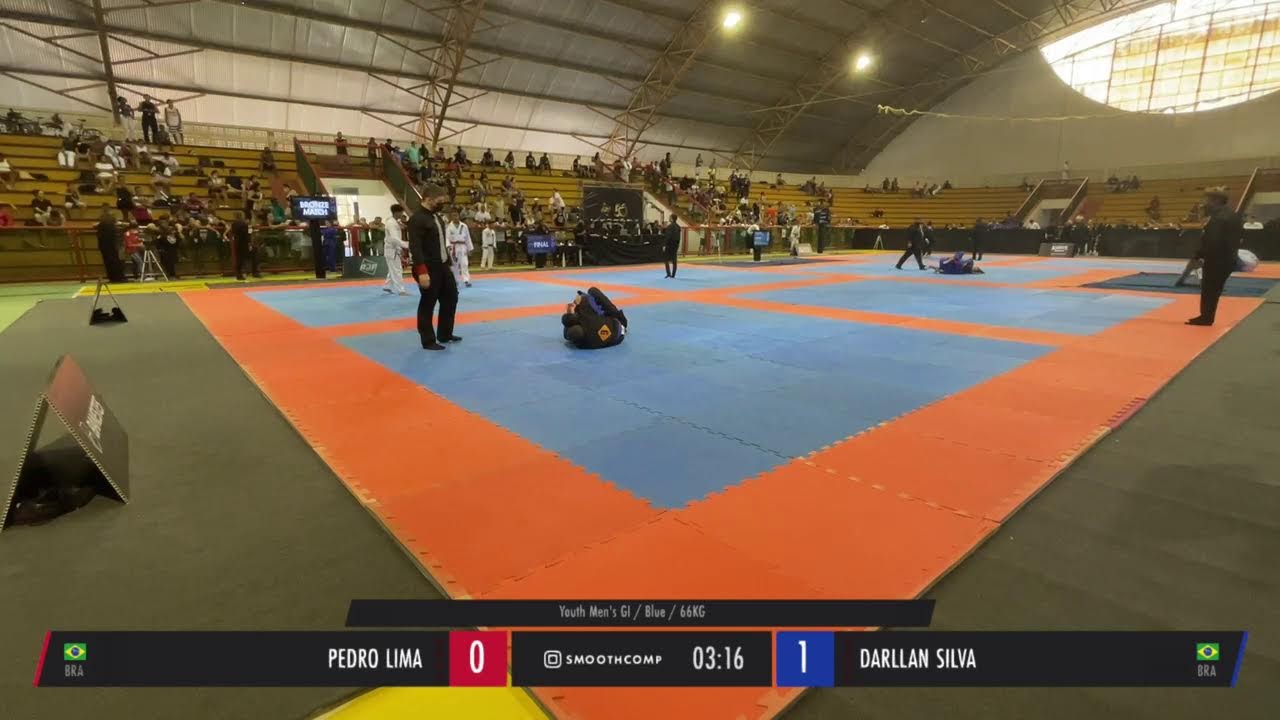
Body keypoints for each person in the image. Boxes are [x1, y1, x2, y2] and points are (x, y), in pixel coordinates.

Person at [407, 184, 459, 350]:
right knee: (428, 302)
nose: (441, 204)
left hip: (442, 265)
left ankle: (445, 333)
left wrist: (448, 264)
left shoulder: (437, 218)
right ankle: (428, 340)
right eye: (439, 201)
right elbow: (415, 247)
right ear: (428, 199)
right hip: (427, 267)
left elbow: (441, 243)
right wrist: (422, 271)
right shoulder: (417, 219)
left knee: (451, 297)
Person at [1183, 187, 1243, 326]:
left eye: (1208, 200)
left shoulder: (1219, 218)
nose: (1205, 203)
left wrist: (1199, 255)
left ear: (1216, 200)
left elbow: (1213, 240)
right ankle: (1207, 316)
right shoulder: (1233, 215)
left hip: (1217, 259)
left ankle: (1206, 317)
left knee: (1209, 289)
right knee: (1214, 289)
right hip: (1227, 258)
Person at [562, 287, 627, 350]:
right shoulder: (584, 307)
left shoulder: (581, 344)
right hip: (616, 326)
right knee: (592, 290)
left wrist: (571, 311)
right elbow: (569, 321)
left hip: (616, 335)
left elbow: (568, 329)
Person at [95, 209, 127, 283]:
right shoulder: (111, 225)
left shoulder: (101, 225)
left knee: (108, 263)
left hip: (104, 246)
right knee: (115, 262)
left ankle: (112, 278)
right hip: (112, 246)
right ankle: (119, 278)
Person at [382, 204, 408, 295]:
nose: (402, 214)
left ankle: (387, 286)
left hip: (394, 248)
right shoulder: (391, 223)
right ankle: (401, 290)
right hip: (392, 249)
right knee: (397, 270)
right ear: (397, 212)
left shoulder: (393, 221)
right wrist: (406, 245)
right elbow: (394, 238)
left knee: (392, 269)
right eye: (401, 212)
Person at [446, 210, 473, 287]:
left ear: (459, 216)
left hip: (462, 247)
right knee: (454, 265)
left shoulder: (464, 226)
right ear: (451, 217)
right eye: (453, 216)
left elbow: (468, 237)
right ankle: (455, 280)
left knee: (464, 263)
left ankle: (466, 280)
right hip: (453, 247)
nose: (455, 217)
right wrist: (448, 246)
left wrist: (470, 248)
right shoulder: (448, 226)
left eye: (456, 215)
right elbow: (447, 238)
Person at [231, 211, 258, 280]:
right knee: (253, 255)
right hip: (244, 244)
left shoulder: (233, 224)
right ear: (242, 216)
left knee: (239, 259)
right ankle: (255, 272)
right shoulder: (244, 224)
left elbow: (233, 233)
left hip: (237, 243)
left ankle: (238, 275)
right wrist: (249, 243)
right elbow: (247, 234)